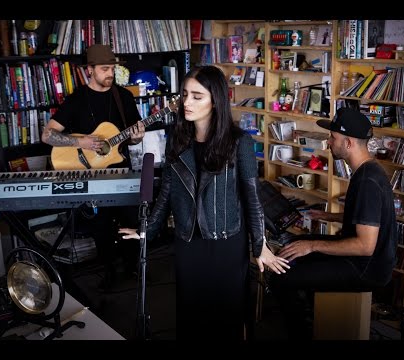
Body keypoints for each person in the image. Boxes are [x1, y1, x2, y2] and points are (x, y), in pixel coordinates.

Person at [119, 65, 289, 340]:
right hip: (188, 241)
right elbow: (168, 192)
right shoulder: (177, 137)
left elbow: (251, 197)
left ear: (215, 100)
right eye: (185, 94)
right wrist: (147, 230)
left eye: (197, 96)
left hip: (226, 243)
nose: (186, 102)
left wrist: (260, 246)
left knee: (226, 319)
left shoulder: (239, 142)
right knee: (192, 317)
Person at [268, 107, 398, 339]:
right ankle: (312, 308)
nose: (328, 143)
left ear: (348, 143)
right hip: (363, 259)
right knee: (296, 245)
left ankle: (302, 332)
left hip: (366, 268)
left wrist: (313, 246)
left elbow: (365, 246)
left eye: (333, 138)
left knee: (283, 276)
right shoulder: (369, 170)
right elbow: (369, 221)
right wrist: (331, 217)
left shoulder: (367, 181)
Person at [41, 44, 145, 289]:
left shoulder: (124, 97)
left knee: (132, 219)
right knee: (102, 227)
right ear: (90, 70)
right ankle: (108, 273)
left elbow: (134, 134)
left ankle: (133, 270)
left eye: (113, 68)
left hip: (122, 171)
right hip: (93, 175)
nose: (110, 73)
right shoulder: (77, 99)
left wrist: (138, 136)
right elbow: (47, 135)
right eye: (105, 69)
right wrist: (81, 141)